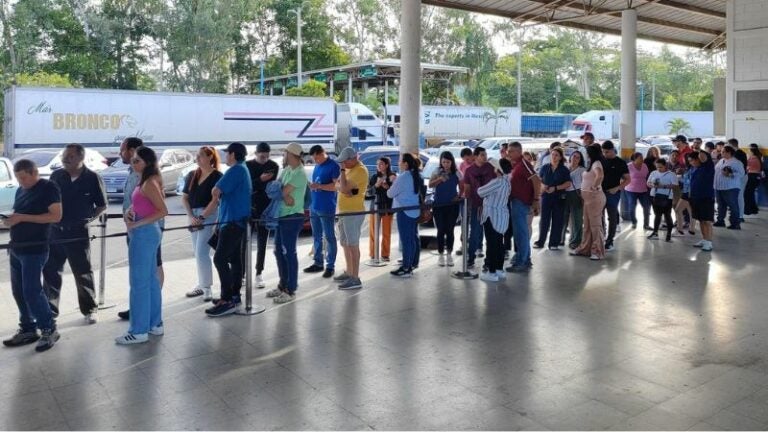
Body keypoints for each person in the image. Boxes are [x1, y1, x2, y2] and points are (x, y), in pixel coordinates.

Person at [42, 144, 107, 324]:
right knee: (50, 272)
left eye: (70, 156)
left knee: (83, 272)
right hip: (54, 232)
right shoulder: (56, 176)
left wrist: (88, 220)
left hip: (78, 233)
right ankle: (50, 311)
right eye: (64, 155)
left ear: (80, 158)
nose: (65, 158)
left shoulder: (92, 178)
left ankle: (89, 309)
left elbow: (102, 206)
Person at [2, 159, 62, 352]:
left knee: (32, 291)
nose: (21, 182)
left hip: (35, 249)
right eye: (18, 178)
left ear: (34, 172)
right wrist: (11, 220)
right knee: (19, 291)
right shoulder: (21, 190)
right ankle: (28, 328)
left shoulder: (48, 187)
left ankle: (48, 328)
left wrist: (22, 218)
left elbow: (55, 216)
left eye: (24, 178)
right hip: (17, 247)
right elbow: (19, 213)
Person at [116, 147, 168, 344]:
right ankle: (155, 324)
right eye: (133, 160)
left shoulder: (149, 182)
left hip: (144, 234)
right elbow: (146, 205)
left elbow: (163, 210)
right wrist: (131, 210)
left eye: (137, 160)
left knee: (139, 283)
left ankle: (138, 330)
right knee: (150, 281)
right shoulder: (146, 180)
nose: (133, 163)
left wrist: (136, 223)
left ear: (147, 162)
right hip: (147, 232)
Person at [205, 142, 252, 317]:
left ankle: (227, 299)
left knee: (220, 258)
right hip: (235, 221)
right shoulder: (243, 168)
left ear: (233, 154)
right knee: (234, 259)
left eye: (227, 153)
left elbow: (216, 189)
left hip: (232, 222)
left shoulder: (236, 170)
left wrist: (216, 192)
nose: (225, 156)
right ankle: (234, 295)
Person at [265, 143, 308, 303]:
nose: (284, 155)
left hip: (292, 216)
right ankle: (282, 285)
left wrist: (281, 192)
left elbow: (279, 191)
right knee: (278, 250)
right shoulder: (287, 170)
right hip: (283, 215)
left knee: (289, 252)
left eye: (285, 153)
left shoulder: (299, 173)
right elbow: (272, 189)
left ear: (291, 154)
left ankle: (291, 289)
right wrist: (282, 193)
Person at [182, 146, 223, 301]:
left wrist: (201, 218)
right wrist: (192, 216)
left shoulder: (217, 176)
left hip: (209, 216)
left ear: (210, 158)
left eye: (200, 156)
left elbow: (215, 201)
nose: (197, 158)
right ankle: (201, 284)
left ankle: (206, 287)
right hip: (193, 215)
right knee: (196, 252)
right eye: (197, 156)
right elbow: (185, 198)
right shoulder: (192, 175)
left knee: (201, 252)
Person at [333, 147, 369, 290]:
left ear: (352, 158)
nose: (343, 165)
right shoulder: (349, 169)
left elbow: (344, 189)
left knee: (353, 245)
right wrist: (342, 186)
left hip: (353, 213)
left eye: (344, 162)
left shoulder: (360, 171)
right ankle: (349, 272)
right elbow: (338, 185)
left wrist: (342, 178)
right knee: (345, 243)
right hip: (344, 211)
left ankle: (355, 278)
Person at [246, 142, 279, 288]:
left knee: (262, 241)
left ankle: (259, 273)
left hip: (266, 208)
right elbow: (248, 186)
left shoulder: (273, 166)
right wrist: (261, 180)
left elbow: (270, 188)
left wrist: (260, 183)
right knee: (244, 241)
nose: (264, 159)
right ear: (256, 154)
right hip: (249, 207)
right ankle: (241, 274)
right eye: (261, 156)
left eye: (266, 156)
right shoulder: (247, 166)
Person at [305, 145, 340, 278]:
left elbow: (336, 186)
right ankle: (318, 262)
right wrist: (313, 186)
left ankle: (330, 266)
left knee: (329, 236)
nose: (315, 160)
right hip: (314, 205)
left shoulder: (333, 166)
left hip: (326, 206)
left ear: (322, 153)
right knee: (316, 235)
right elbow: (317, 182)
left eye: (316, 157)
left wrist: (319, 186)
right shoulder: (317, 166)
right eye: (313, 158)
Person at [507, 142, 540, 272]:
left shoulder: (524, 164)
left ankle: (523, 261)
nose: (508, 154)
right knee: (519, 233)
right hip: (516, 202)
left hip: (521, 202)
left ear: (519, 151)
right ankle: (522, 257)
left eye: (511, 151)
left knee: (521, 233)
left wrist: (536, 199)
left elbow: (536, 180)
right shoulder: (516, 165)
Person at [476, 158, 511, 282]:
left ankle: (491, 273)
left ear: (499, 170)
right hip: (502, 217)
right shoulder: (507, 181)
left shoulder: (498, 181)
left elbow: (480, 192)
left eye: (495, 167)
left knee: (491, 244)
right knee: (499, 244)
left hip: (492, 216)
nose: (493, 169)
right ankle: (499, 270)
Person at [388, 153, 421, 277]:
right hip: (414, 211)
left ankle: (406, 268)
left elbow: (390, 194)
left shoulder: (403, 177)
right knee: (412, 239)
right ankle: (411, 263)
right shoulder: (415, 175)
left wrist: (393, 182)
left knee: (407, 241)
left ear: (406, 163)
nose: (399, 163)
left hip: (404, 212)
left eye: (401, 161)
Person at [570, 144, 605, 261]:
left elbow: (599, 175)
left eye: (586, 152)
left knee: (595, 226)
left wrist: (594, 187)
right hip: (588, 198)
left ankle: (597, 251)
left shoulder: (597, 163)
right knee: (587, 226)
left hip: (594, 198)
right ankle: (585, 248)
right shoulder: (591, 164)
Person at [463, 147, 495, 268]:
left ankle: (489, 260)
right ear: (475, 156)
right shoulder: (469, 171)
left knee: (490, 233)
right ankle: (471, 257)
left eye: (485, 154)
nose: (485, 157)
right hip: (477, 206)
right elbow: (467, 188)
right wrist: (467, 202)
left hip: (490, 206)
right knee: (475, 232)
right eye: (482, 155)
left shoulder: (490, 168)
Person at [534, 147, 571, 250]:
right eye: (552, 155)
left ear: (560, 157)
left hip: (559, 198)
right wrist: (543, 186)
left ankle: (554, 243)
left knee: (557, 220)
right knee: (544, 220)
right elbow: (539, 180)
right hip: (546, 197)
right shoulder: (545, 167)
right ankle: (540, 241)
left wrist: (555, 188)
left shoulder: (564, 170)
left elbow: (568, 183)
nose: (554, 157)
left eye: (556, 155)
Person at [429, 151, 461, 267]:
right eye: (443, 162)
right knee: (440, 230)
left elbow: (463, 184)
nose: (445, 164)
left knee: (450, 230)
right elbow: (430, 185)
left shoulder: (457, 173)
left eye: (447, 162)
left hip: (452, 206)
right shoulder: (437, 171)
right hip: (438, 205)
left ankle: (449, 254)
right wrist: (439, 179)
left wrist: (459, 195)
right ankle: (441, 254)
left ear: (451, 162)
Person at [600, 140, 630, 251]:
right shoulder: (601, 161)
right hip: (599, 193)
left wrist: (617, 188)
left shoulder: (620, 162)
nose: (605, 154)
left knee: (612, 217)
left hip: (613, 194)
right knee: (599, 216)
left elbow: (628, 180)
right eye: (603, 152)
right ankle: (600, 237)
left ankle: (610, 241)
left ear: (613, 150)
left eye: (607, 152)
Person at [368, 157, 396, 262]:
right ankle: (373, 253)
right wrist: (376, 185)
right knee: (373, 232)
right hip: (374, 207)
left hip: (387, 207)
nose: (379, 166)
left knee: (386, 232)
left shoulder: (392, 176)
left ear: (387, 165)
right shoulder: (374, 176)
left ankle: (385, 254)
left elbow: (395, 192)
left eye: (381, 164)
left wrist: (387, 187)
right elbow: (368, 193)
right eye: (377, 164)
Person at [689, 151, 715, 251]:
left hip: (706, 198)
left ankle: (709, 242)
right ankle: (704, 239)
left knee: (707, 221)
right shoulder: (696, 169)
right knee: (700, 220)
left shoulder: (708, 167)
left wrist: (698, 150)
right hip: (696, 198)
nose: (691, 163)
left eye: (692, 161)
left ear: (698, 159)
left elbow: (704, 156)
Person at [714, 145, 745, 230]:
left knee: (732, 205)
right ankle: (720, 221)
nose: (721, 153)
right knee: (721, 205)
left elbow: (742, 174)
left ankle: (735, 223)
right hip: (719, 186)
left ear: (729, 153)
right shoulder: (721, 161)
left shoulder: (736, 162)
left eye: (723, 152)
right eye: (721, 151)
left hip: (731, 187)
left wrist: (731, 174)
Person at [646, 158, 677, 242]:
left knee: (667, 215)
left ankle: (669, 234)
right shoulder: (653, 173)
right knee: (657, 215)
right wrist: (652, 185)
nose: (659, 169)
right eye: (657, 167)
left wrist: (662, 186)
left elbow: (674, 185)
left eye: (660, 167)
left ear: (665, 166)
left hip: (667, 197)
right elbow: (648, 183)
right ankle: (655, 232)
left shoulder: (671, 174)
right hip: (655, 195)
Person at [563, 151, 585, 249]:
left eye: (578, 157)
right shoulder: (565, 168)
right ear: (570, 156)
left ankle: (576, 240)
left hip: (576, 194)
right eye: (574, 156)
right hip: (564, 194)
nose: (575, 159)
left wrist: (583, 197)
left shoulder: (582, 170)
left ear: (580, 160)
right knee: (563, 218)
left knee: (577, 219)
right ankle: (561, 239)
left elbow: (585, 185)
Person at [625, 152, 651, 230]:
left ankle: (646, 224)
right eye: (640, 158)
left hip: (643, 190)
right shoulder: (629, 166)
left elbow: (647, 176)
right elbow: (623, 176)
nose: (642, 159)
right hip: (631, 190)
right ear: (634, 159)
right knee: (632, 207)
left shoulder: (644, 165)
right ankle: (634, 222)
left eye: (642, 157)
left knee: (646, 207)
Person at [674, 153, 697, 236]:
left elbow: (690, 181)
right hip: (688, 191)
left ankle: (680, 229)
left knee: (678, 210)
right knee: (690, 211)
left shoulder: (694, 169)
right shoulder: (690, 168)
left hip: (689, 192)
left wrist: (680, 178)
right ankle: (691, 229)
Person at [729, 138, 749, 220]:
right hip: (739, 176)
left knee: (739, 196)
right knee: (737, 196)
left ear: (731, 145)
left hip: (741, 177)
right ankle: (737, 213)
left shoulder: (738, 154)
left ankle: (740, 216)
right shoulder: (739, 153)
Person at [745, 144, 763, 217]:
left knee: (747, 194)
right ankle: (753, 209)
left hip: (752, 177)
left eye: (748, 149)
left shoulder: (752, 158)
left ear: (751, 150)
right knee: (750, 194)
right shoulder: (758, 157)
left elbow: (746, 166)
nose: (747, 151)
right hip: (755, 177)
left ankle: (748, 210)